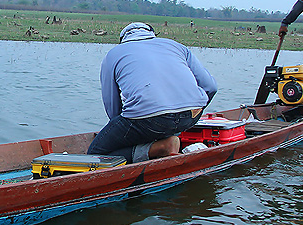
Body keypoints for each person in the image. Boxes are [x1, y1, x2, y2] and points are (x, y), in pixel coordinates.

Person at [87, 22, 217, 163]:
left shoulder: (113, 54)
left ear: (122, 40)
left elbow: (112, 105)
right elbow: (210, 87)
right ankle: (167, 140)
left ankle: (162, 147)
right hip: (191, 115)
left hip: (148, 119)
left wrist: (120, 130)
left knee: (96, 155)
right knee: (161, 123)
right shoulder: (176, 46)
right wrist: (195, 108)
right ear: (152, 34)